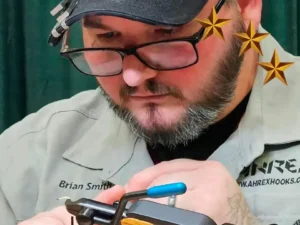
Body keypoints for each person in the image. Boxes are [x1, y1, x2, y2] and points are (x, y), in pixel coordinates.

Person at [0, 0, 300, 224]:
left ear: (246, 7)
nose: (133, 77)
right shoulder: (24, 159)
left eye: (166, 35)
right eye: (107, 38)